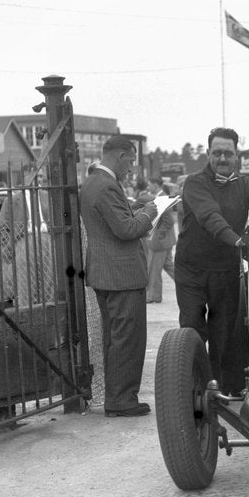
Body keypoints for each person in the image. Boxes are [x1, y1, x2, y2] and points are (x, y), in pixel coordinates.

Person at [176, 127, 249, 397]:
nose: (222, 158)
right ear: (208, 153)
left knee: (222, 335)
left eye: (228, 153)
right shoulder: (194, 182)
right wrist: (238, 241)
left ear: (236, 155)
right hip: (192, 271)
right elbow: (209, 216)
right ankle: (193, 390)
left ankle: (219, 392)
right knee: (192, 330)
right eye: (217, 153)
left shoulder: (246, 185)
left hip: (225, 271)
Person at [80, 135, 158, 417]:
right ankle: (122, 399)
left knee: (115, 339)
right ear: (122, 156)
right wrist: (149, 213)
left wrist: (133, 208)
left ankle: (117, 396)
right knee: (128, 339)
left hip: (105, 274)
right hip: (122, 276)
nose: (131, 167)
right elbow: (125, 230)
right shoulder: (106, 186)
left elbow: (111, 219)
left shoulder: (92, 183)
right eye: (131, 160)